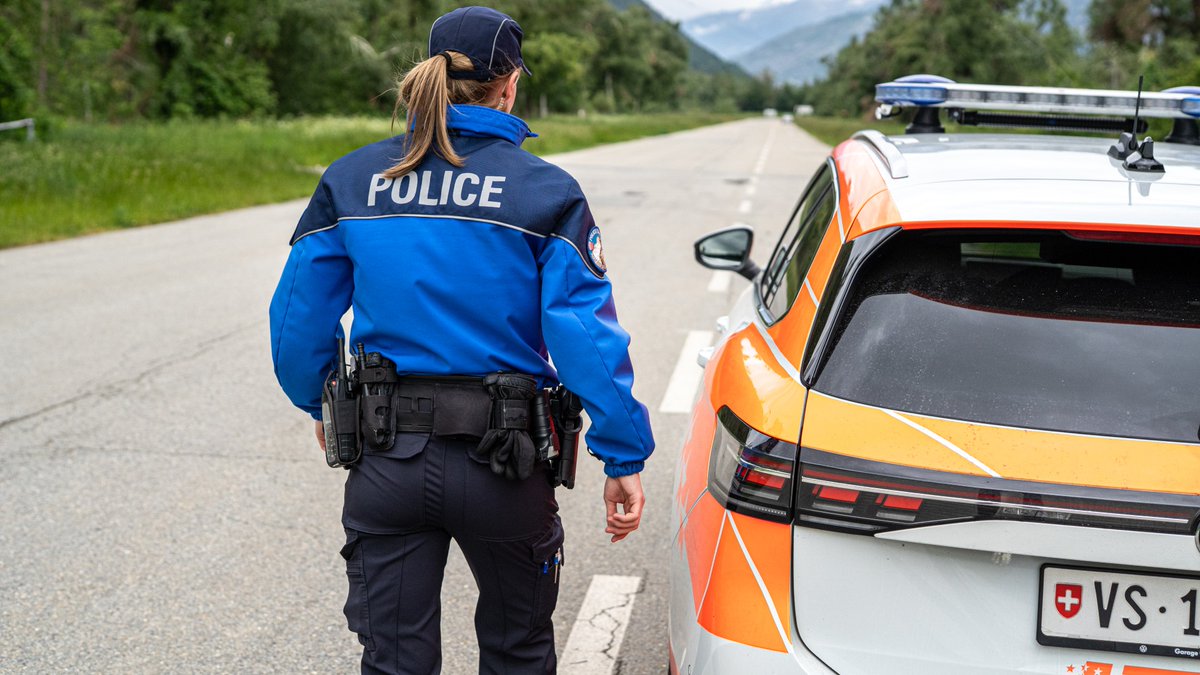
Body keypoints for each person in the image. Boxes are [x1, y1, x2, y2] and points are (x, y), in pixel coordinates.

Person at [268, 6, 654, 674]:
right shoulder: (546, 191)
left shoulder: (353, 179)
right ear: (509, 87)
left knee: (393, 659)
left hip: (385, 457)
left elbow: (298, 319)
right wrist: (622, 455)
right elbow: (586, 339)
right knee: (517, 649)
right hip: (505, 464)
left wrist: (319, 405)